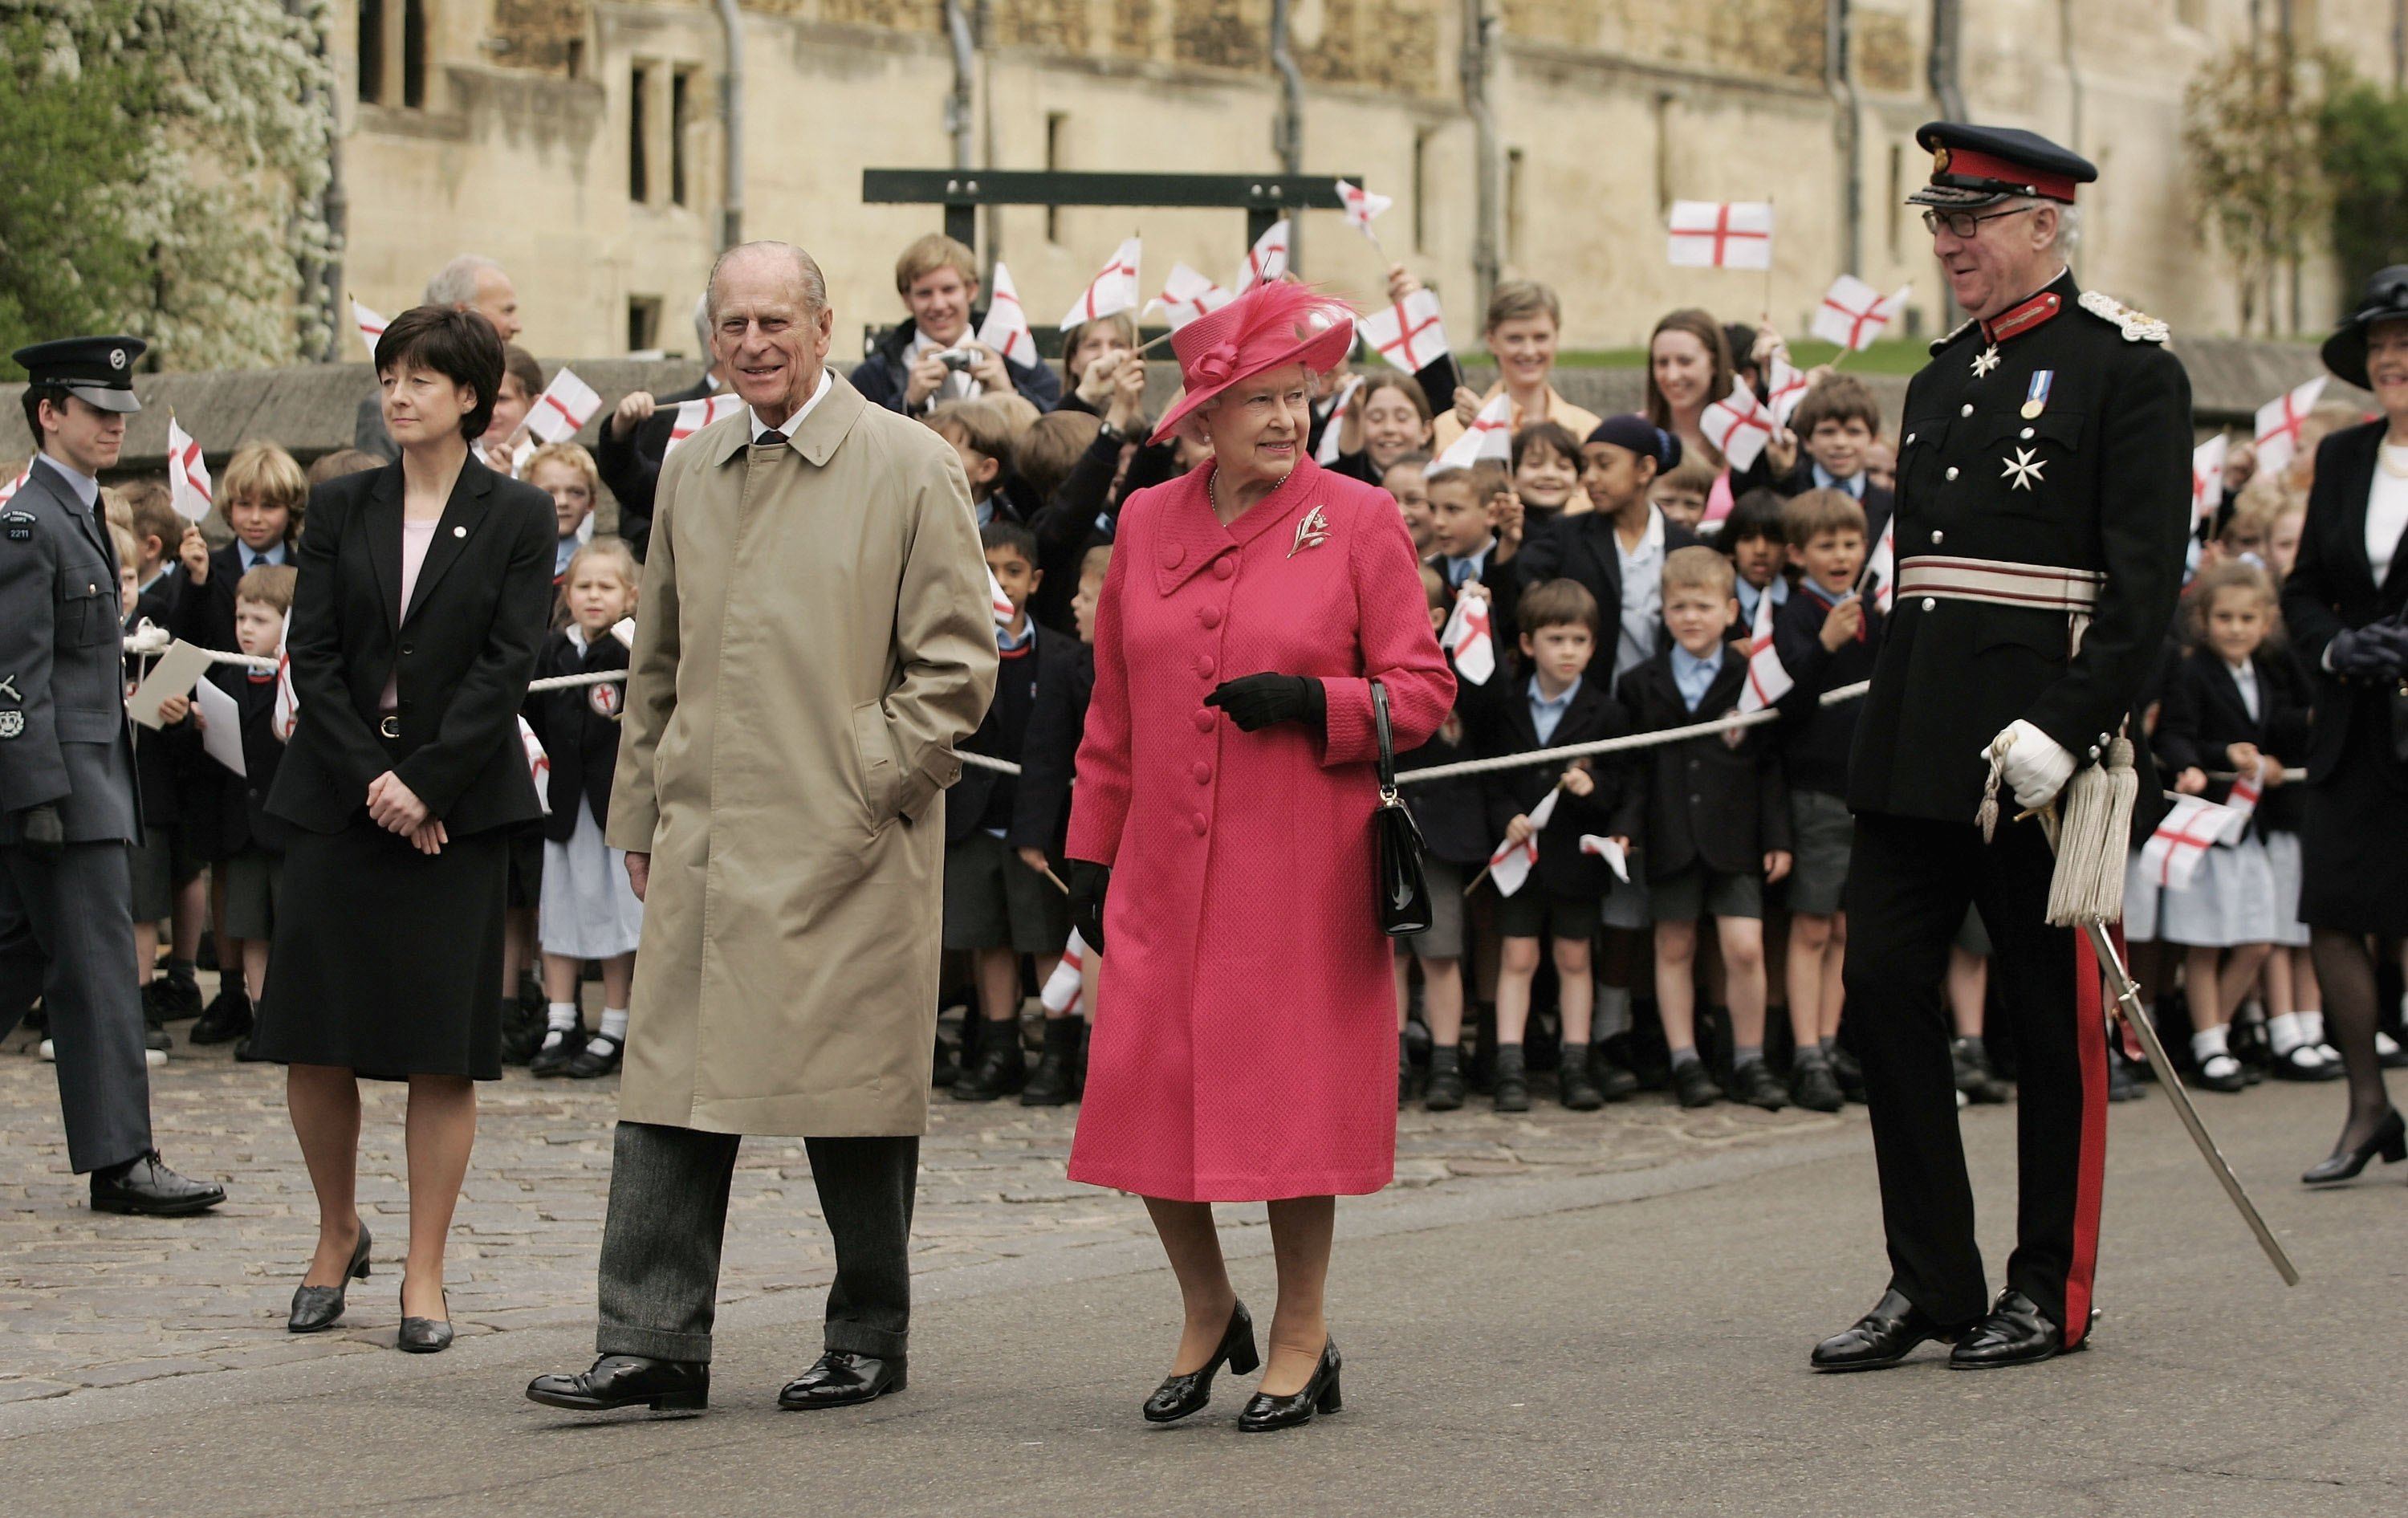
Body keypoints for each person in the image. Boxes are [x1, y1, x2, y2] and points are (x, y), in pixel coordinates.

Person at [527, 241, 995, 1416]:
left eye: (774, 321)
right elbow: (661, 662)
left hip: (850, 837)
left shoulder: (909, 463)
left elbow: (955, 670)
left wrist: (864, 782)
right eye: (732, 324)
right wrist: (641, 806)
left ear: (826, 327)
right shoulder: (694, 468)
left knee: (855, 1098)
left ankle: (868, 1331)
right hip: (707, 831)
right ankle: (651, 1339)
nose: (752, 344)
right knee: (667, 1093)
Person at [1816, 124, 2190, 1373]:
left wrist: (2071, 727)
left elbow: (2142, 593)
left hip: (2037, 764)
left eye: (1970, 219)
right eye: (1938, 219)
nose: (1947, 241)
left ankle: (2051, 1286)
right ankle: (1930, 1276)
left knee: (2048, 1026)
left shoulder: (2127, 371)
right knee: (1879, 991)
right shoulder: (1935, 381)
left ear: (2044, 223)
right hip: (1918, 753)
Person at [1060, 279, 1452, 1431]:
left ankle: (1302, 1331)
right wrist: (1090, 846)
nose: (1288, 418)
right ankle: (1207, 1304)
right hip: (1162, 872)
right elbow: (1113, 706)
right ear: (1203, 416)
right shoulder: (1144, 520)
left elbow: (1423, 693)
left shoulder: (1361, 517)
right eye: (1262, 400)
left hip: (1298, 868)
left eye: (1300, 397)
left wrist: (1317, 701)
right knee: (1138, 1093)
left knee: (1289, 1111)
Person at [250, 304, 556, 1350]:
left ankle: (424, 1272)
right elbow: (318, 653)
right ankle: (337, 1227)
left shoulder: (517, 515)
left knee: (440, 1047)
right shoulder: (341, 504)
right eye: (390, 375)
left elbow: (506, 660)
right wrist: (376, 778)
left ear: (470, 395)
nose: (399, 393)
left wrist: (424, 783)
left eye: (422, 377)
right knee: (315, 1036)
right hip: (339, 793)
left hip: (457, 806)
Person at [1, 336, 225, 1215]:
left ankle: (120, 1152)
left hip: (85, 776)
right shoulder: (31, 519)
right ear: (49, 412)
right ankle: (122, 1159)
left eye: (120, 411)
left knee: (16, 955)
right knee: (98, 974)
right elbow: (14, 676)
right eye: (96, 410)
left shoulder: (79, 510)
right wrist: (39, 790)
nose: (113, 425)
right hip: (64, 787)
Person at [2280, 264, 2408, 1184]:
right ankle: (2368, 1104)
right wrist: (2334, 648)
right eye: (2382, 347)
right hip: (2352, 721)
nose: (2395, 359)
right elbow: (2301, 589)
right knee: (2332, 908)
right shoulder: (2344, 456)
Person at [1618, 546, 1792, 1110]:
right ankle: (1685, 1059)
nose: (1691, 617)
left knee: (1743, 947)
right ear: (1663, 613)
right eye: (1678, 607)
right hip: (1669, 832)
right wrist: (1626, 827)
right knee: (1675, 943)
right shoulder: (1642, 682)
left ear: (1729, 610)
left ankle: (1749, 1058)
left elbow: (1770, 766)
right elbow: (1636, 768)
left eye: (1703, 606)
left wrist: (1778, 837)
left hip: (1737, 835)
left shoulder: (1751, 676)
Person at [1462, 577, 1636, 1113]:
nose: (1568, 651)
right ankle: (1510, 1066)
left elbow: (1622, 784)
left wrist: (1594, 789)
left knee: (1574, 957)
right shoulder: (1507, 707)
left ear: (1594, 646)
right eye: (1556, 639)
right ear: (1530, 643)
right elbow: (1490, 780)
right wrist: (1507, 816)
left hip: (1575, 860)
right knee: (1517, 954)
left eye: (1579, 641)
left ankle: (1574, 1063)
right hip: (1522, 860)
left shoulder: (1605, 712)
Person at [2155, 563, 2302, 1093]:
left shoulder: (2263, 676)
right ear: (2204, 620)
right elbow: (2176, 733)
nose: (2235, 628)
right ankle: (2209, 1043)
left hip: (2248, 825)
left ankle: (2215, 1031)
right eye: (2224, 617)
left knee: (2258, 939)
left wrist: (2270, 760)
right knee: (2205, 942)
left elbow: (2275, 736)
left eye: (2246, 618)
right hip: (2209, 827)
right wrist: (2201, 761)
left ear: (2266, 624)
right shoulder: (2194, 672)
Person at [946, 520, 1078, 1103]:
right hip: (974, 817)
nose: (999, 582)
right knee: (989, 939)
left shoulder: (1063, 656)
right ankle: (999, 1048)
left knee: (1043, 936)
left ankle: (1057, 1051)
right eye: (987, 572)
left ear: (1035, 580)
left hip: (1037, 823)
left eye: (1013, 572)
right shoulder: (952, 652)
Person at [1770, 490, 1879, 1113]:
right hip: (1815, 790)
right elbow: (1787, 700)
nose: (1841, 556)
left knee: (1844, 924)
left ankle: (1834, 1042)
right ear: (1798, 554)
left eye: (1849, 543)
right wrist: (1827, 644)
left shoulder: (1874, 612)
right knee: (1810, 924)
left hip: (1863, 788)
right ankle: (1805, 1049)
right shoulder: (1797, 615)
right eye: (1826, 545)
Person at [524, 539, 642, 1079]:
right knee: (561, 912)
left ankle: (615, 1022)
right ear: (567, 593)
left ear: (630, 594)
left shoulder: (629, 650)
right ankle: (561, 1017)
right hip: (563, 808)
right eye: (584, 586)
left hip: (613, 809)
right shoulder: (552, 651)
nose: (594, 596)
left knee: (616, 918)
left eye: (607, 586)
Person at [1008, 541, 1106, 1106]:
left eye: (1087, 596)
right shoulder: (1067, 664)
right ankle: (1072, 1055)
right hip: (1084, 830)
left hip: (1154, 831)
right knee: (1088, 938)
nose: (1073, 603)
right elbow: (1045, 754)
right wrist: (1033, 833)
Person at [1395, 564, 1490, 1111]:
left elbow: (1491, 704)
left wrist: (1477, 617)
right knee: (1392, 956)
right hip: (1385, 830)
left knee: (1441, 952)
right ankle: (1395, 1060)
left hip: (1444, 835)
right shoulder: (1365, 658)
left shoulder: (1462, 668)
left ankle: (1448, 1059)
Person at [196, 564, 300, 1048]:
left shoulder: (300, 680)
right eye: (241, 619)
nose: (245, 630)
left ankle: (292, 1022)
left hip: (287, 828)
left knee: (293, 929)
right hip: (241, 828)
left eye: (259, 620)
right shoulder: (223, 675)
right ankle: (261, 1022)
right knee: (250, 929)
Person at [850, 233, 1062, 417]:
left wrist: (1011, 397)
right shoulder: (874, 375)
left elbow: (1056, 435)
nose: (939, 305)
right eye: (925, 293)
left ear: (971, 290)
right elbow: (861, 446)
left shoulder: (1014, 355)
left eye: (949, 290)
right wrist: (908, 404)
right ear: (907, 299)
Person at [356, 254, 523, 462]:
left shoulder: (516, 493)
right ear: (463, 312)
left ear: (470, 395)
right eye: (389, 382)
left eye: (419, 381)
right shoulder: (382, 414)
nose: (397, 397)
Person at [596, 294, 723, 561]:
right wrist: (620, 432)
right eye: (738, 325)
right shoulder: (667, 415)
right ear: (716, 341)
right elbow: (640, 499)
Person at [1433, 280, 1603, 453]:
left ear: (1556, 339)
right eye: (1515, 339)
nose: (1529, 351)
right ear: (1491, 341)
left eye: (1540, 338)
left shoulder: (1588, 429)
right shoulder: (1450, 428)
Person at [1779, 374, 1895, 547]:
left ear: (1873, 440)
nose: (1840, 443)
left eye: (1854, 432)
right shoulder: (1784, 496)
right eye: (1828, 432)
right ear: (1807, 441)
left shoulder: (1892, 508)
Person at [523, 442, 602, 594]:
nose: (563, 502)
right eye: (549, 492)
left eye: (576, 492)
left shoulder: (598, 570)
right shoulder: (509, 562)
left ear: (591, 502)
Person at [925, 398, 1019, 526]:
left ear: (986, 469)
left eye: (946, 453)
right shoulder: (912, 518)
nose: (929, 460)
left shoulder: (1007, 539)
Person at [1511, 420, 1584, 532]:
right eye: (1535, 464)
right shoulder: (1493, 536)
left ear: (1579, 482)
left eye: (1563, 466)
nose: (1549, 474)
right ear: (1511, 478)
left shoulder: (1585, 539)